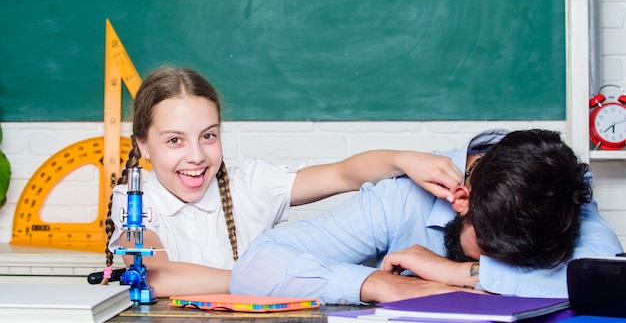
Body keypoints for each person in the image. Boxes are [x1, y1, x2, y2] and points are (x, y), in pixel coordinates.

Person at [103, 66, 467, 298]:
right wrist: (270, 276)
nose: (196, 155)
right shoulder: (133, 201)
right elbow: (157, 274)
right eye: (174, 140)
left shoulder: (250, 182)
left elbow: (343, 173)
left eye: (209, 136)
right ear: (143, 146)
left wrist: (404, 159)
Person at [229, 129, 624, 304]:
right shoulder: (400, 200)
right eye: (483, 254)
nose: (489, 267)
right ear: (461, 199)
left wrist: (456, 273)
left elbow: (609, 280)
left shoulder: (557, 185)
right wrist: (379, 284)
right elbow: (253, 267)